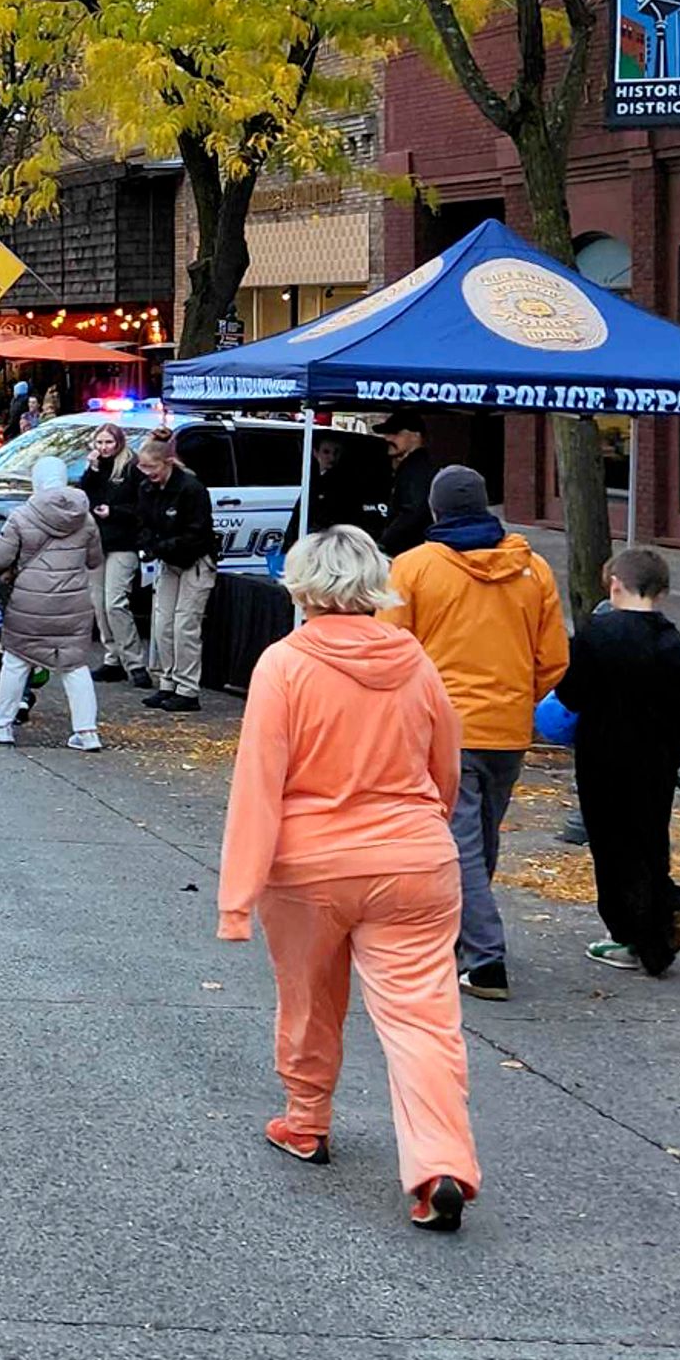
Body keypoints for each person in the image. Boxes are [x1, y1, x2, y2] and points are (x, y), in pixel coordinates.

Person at [216, 524, 482, 1231]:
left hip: (310, 863)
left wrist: (237, 896)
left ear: (302, 587)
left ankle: (306, 1121)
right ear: (375, 586)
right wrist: (425, 826)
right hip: (413, 858)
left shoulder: (285, 664)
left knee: (308, 997)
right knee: (424, 1019)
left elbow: (259, 784)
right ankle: (439, 1163)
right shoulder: (415, 660)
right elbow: (445, 765)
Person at [385, 462, 569, 1002]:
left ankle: (484, 955)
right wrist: (520, 696)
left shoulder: (413, 569)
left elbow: (390, 651)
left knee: (458, 842)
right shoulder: (532, 569)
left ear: (436, 511)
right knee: (480, 837)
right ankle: (461, 938)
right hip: (508, 728)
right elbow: (554, 659)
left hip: (442, 726)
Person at [558, 547, 680, 975]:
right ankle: (655, 914)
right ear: (661, 592)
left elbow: (571, 692)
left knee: (610, 845)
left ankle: (632, 933)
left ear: (614, 585)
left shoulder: (596, 635)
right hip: (655, 759)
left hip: (602, 756)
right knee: (649, 839)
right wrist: (676, 738)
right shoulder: (671, 642)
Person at [0, 456, 106, 749]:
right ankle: (87, 733)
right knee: (74, 665)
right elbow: (95, 559)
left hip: (29, 603)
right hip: (73, 604)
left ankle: (2, 725)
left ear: (37, 481)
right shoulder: (84, 518)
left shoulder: (22, 516)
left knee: (16, 660)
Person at [124, 425, 220, 712]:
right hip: (168, 561)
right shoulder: (147, 488)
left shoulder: (192, 489)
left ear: (167, 463)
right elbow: (141, 523)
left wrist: (160, 547)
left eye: (151, 467)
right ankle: (167, 681)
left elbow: (198, 533)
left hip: (196, 561)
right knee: (162, 624)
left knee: (185, 625)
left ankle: (188, 688)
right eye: (142, 467)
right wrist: (148, 546)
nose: (146, 472)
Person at [80, 424, 143, 681]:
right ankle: (112, 657)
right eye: (99, 443)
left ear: (119, 443)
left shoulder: (131, 468)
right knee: (99, 603)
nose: (104, 448)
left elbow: (141, 506)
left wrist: (114, 512)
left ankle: (134, 662)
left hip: (123, 542)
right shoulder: (96, 468)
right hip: (97, 542)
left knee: (115, 602)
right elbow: (85, 496)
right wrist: (92, 470)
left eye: (108, 443)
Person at [377, 412, 440, 554]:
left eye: (395, 433)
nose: (387, 438)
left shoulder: (417, 470)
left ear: (415, 436)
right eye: (387, 433)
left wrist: (384, 543)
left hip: (409, 551)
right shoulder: (410, 467)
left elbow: (413, 511)